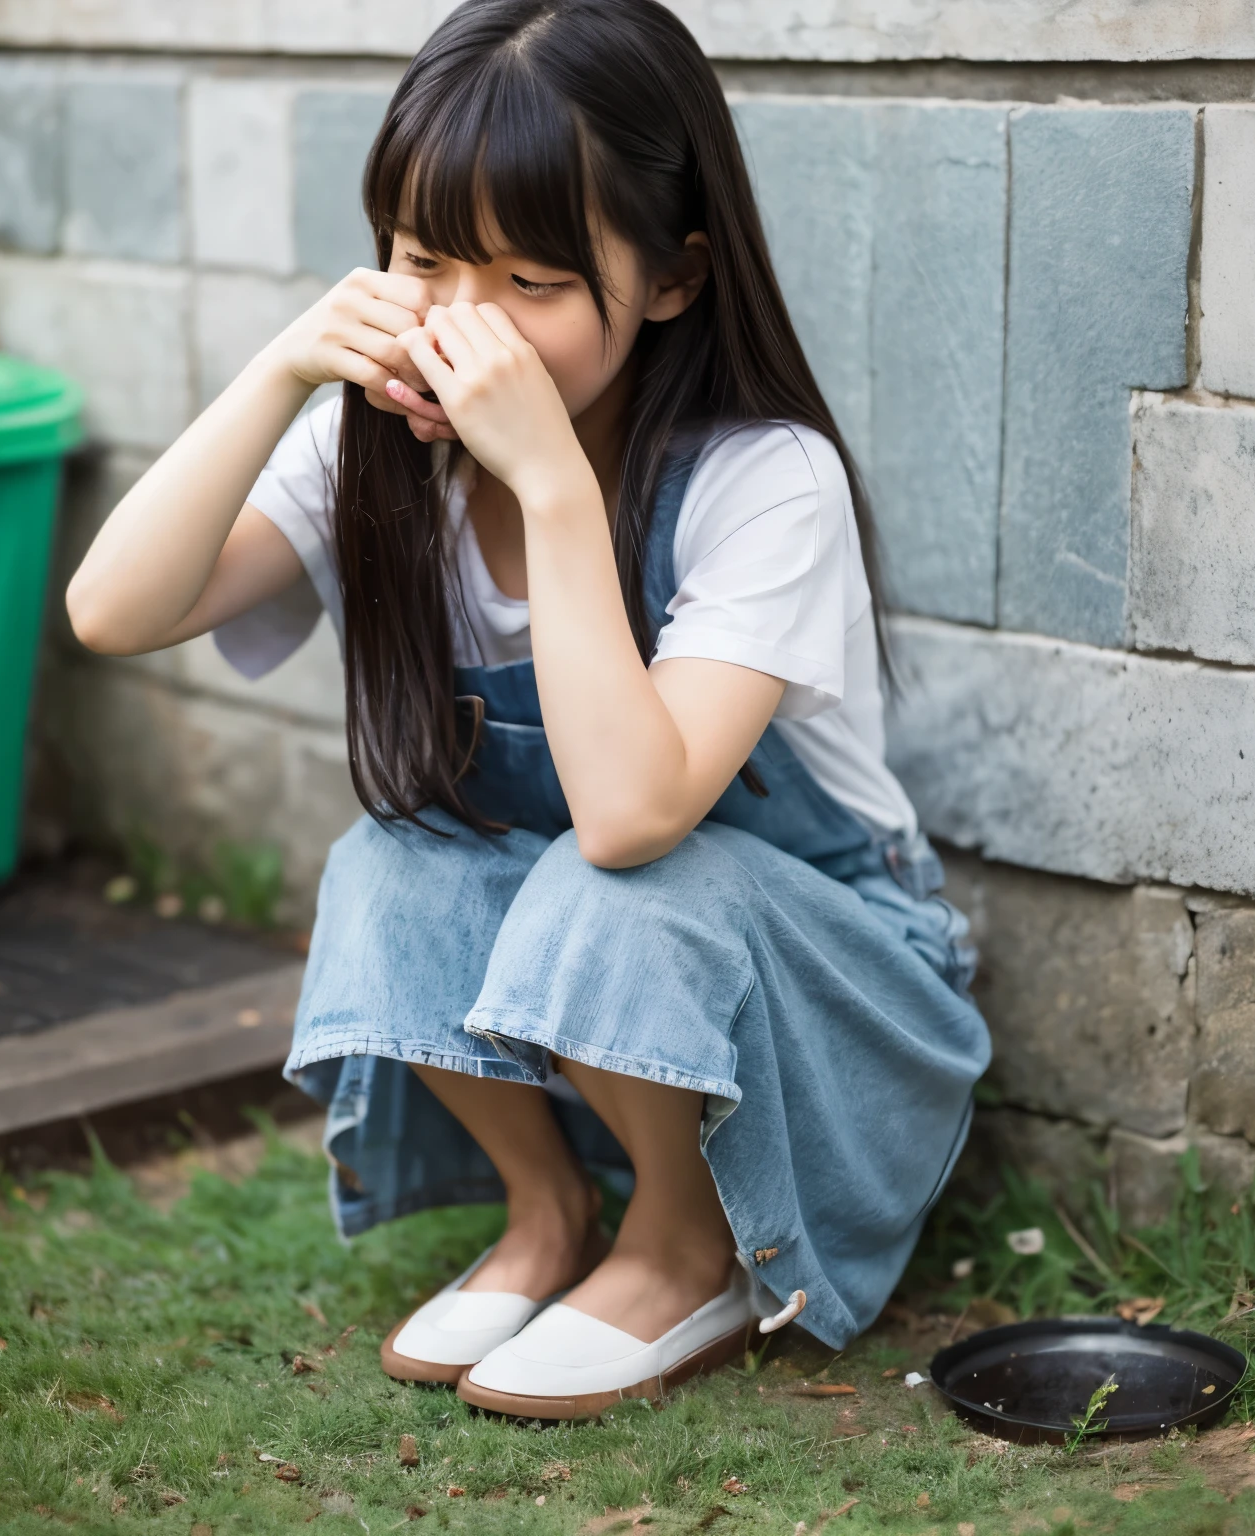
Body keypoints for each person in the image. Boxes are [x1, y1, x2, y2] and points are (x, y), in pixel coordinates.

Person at [65, 0, 990, 1420]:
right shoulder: (379, 452)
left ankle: (688, 1248)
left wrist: (552, 483)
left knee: (611, 875)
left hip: (826, 1013)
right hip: (614, 1005)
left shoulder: (761, 481)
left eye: (532, 281)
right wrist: (280, 370)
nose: (463, 327)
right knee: (391, 863)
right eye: (425, 260)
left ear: (673, 278)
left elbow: (630, 818)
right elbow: (112, 613)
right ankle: (548, 1210)